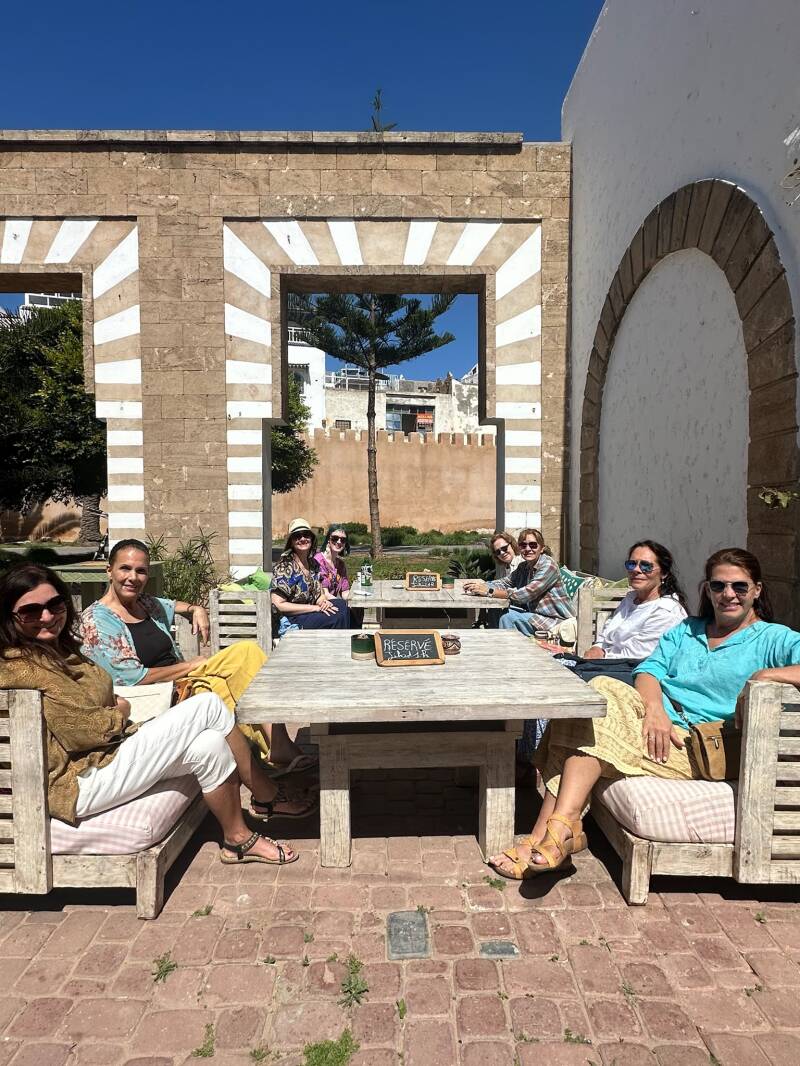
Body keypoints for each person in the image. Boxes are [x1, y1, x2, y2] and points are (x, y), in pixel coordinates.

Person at [489, 547, 800, 879]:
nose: (728, 594)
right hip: (657, 728)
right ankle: (559, 833)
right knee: (596, 692)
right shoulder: (689, 629)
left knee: (590, 728)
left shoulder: (774, 639)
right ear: (708, 590)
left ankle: (550, 835)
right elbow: (649, 671)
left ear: (757, 590)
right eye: (718, 585)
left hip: (699, 747)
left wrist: (765, 675)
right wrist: (654, 711)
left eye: (739, 586)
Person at [0, 563, 305, 865]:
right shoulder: (21, 667)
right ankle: (266, 794)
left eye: (55, 605)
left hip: (107, 754)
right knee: (209, 705)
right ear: (9, 617)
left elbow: (91, 704)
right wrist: (120, 710)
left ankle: (237, 839)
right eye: (30, 611)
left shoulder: (59, 650)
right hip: (77, 782)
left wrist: (194, 608)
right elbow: (83, 733)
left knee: (209, 744)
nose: (47, 616)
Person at [81, 540, 315, 777]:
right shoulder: (98, 621)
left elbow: (174, 605)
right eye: (125, 568)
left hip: (185, 680)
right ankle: (273, 758)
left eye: (140, 571)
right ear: (109, 570)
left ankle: (277, 748)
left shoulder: (144, 603)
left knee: (248, 651)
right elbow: (132, 678)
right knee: (222, 687)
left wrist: (196, 609)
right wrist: (189, 665)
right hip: (159, 696)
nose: (133, 577)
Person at [464, 528, 574, 636]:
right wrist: (480, 586)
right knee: (496, 610)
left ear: (541, 548)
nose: (528, 549)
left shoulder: (548, 565)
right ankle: (496, 641)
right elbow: (505, 582)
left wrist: (490, 591)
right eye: (523, 545)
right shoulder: (524, 566)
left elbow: (526, 594)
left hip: (554, 620)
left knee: (508, 618)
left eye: (533, 545)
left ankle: (508, 647)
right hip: (535, 615)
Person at [271, 518, 351, 633]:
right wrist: (314, 608)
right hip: (293, 618)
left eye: (306, 535)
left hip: (310, 611)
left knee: (342, 605)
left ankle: (344, 640)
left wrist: (323, 602)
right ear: (291, 542)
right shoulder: (285, 567)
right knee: (335, 617)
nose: (302, 539)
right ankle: (339, 642)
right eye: (297, 536)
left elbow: (319, 594)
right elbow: (278, 604)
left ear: (312, 539)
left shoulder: (313, 564)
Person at [315, 525, 352, 599]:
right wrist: (341, 603)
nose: (339, 542)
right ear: (328, 539)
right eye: (335, 538)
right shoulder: (318, 560)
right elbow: (325, 594)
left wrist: (354, 600)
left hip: (333, 602)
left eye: (343, 540)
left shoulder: (341, 564)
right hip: (320, 602)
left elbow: (345, 591)